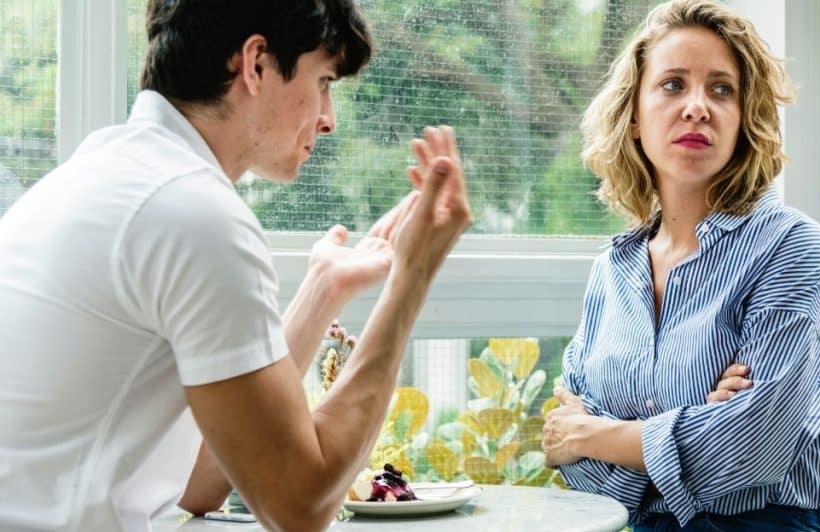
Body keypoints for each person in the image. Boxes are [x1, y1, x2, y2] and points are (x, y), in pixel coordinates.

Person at [0, 1, 471, 530]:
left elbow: (198, 481)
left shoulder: (108, 173)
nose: (329, 119)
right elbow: (299, 507)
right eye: (323, 82)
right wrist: (413, 276)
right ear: (255, 64)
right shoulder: (192, 212)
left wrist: (323, 288)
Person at [540, 1, 820, 530]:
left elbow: (755, 446)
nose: (697, 107)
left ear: (743, 119)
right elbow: (576, 468)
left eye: (721, 89)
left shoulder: (791, 246)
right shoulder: (611, 270)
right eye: (672, 85)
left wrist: (601, 434)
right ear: (636, 118)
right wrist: (700, 427)